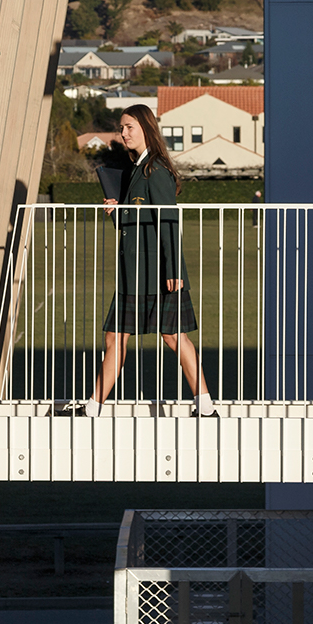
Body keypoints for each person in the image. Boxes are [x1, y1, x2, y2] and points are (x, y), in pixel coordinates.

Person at [66, 104, 218, 417]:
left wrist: (173, 269)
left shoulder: (156, 170)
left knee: (174, 337)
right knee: (114, 336)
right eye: (121, 128)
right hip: (133, 272)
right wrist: (117, 212)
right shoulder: (137, 169)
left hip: (157, 271)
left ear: (146, 128)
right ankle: (93, 407)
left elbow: (168, 220)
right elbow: (134, 223)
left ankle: (205, 406)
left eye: (129, 127)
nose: (124, 134)